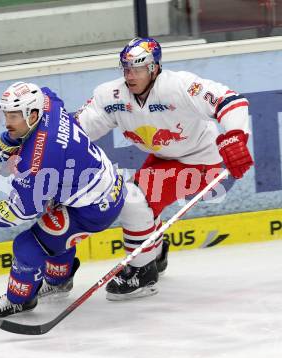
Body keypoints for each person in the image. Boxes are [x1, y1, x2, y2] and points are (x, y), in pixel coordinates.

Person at [74, 37, 254, 301]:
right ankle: (154, 254)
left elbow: (230, 100)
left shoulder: (178, 86)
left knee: (134, 201)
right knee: (143, 205)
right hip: (163, 157)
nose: (130, 75)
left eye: (137, 68)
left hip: (200, 161)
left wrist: (236, 136)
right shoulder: (110, 95)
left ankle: (142, 272)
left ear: (154, 68)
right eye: (126, 68)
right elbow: (78, 130)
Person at [0, 81, 125, 317]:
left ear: (33, 115)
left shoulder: (36, 163)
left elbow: (20, 211)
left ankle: (20, 299)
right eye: (6, 115)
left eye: (14, 117)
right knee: (54, 230)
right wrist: (9, 142)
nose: (8, 123)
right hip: (98, 183)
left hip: (94, 208)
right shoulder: (47, 105)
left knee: (27, 246)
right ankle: (59, 280)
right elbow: (48, 91)